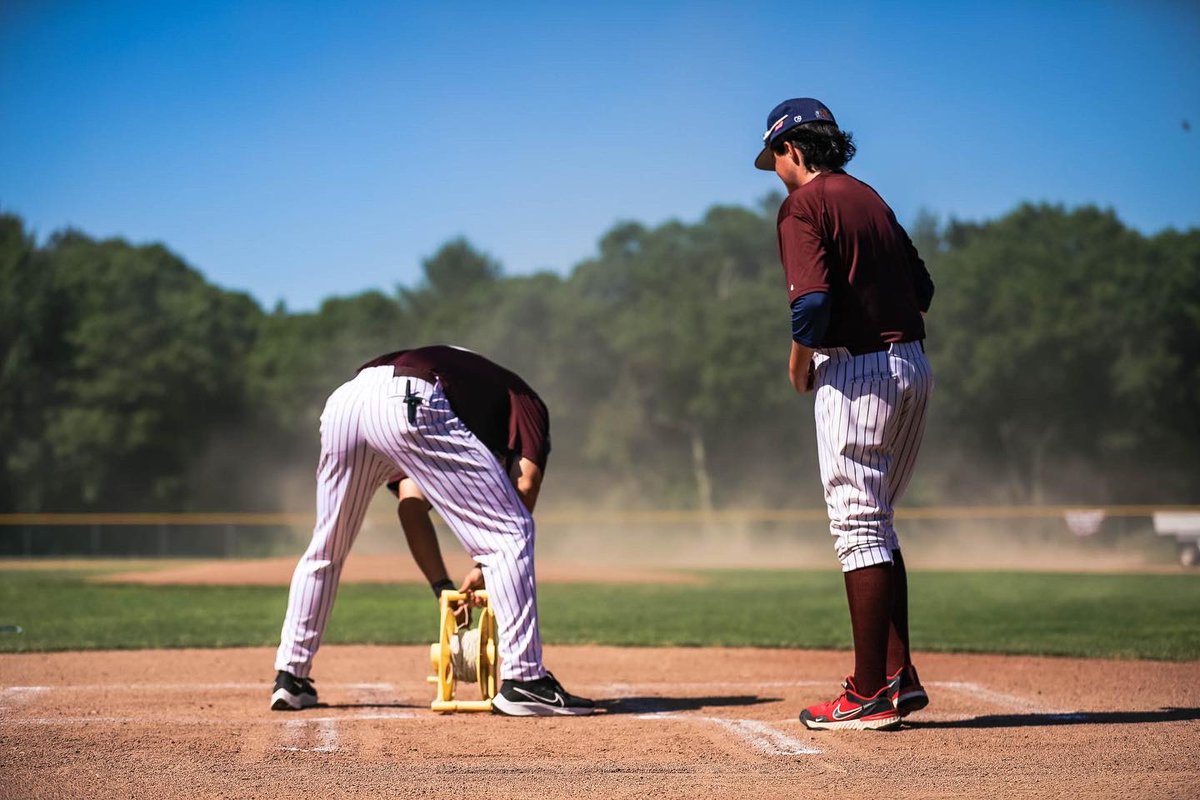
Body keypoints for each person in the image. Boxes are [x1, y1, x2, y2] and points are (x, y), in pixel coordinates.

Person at [271, 345, 595, 716]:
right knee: (512, 532)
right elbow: (526, 481)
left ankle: (291, 678)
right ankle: (525, 680)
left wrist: (443, 588)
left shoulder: (461, 390)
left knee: (326, 548)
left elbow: (410, 504)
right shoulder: (523, 397)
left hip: (345, 401)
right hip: (409, 398)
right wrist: (487, 565)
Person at [755, 98, 935, 731]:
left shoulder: (803, 205)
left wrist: (800, 360)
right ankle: (898, 675)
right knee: (877, 523)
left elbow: (811, 307)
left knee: (858, 525)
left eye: (774, 156)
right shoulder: (871, 198)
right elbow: (924, 290)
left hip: (857, 374)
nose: (775, 170)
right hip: (912, 366)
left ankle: (867, 691)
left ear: (793, 148)